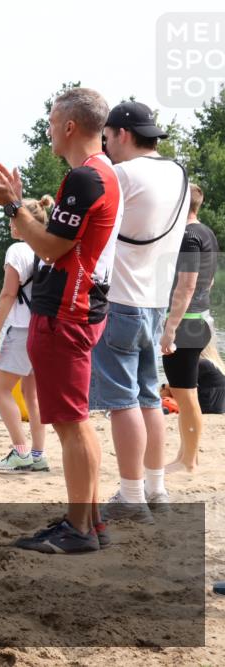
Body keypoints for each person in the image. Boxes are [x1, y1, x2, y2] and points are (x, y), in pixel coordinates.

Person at [0, 86, 122, 554]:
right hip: (80, 307)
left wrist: (11, 206)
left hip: (65, 313)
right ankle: (89, 521)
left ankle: (79, 529)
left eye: (53, 122)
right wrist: (16, 202)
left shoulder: (85, 178)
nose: (49, 130)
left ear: (70, 126)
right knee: (75, 422)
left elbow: (51, 248)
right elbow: (57, 240)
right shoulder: (103, 173)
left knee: (71, 424)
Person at [89, 101, 190, 522]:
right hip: (155, 300)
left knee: (122, 403)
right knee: (149, 398)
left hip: (120, 299)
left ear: (123, 134)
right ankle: (155, 488)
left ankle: (131, 496)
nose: (106, 147)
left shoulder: (122, 174)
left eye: (107, 138)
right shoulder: (179, 174)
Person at [0, 196, 53, 473]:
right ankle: (38, 454)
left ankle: (20, 451)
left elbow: (8, 293)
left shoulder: (17, 250)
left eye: (14, 218)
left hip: (22, 330)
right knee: (31, 394)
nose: (10, 224)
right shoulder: (48, 248)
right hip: (44, 329)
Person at [161, 183, 220, 472]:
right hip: (200, 320)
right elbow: (209, 281)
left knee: (185, 395)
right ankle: (187, 456)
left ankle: (188, 460)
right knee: (187, 394)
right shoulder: (207, 233)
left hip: (187, 325)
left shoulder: (187, 236)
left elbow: (186, 286)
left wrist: (170, 328)